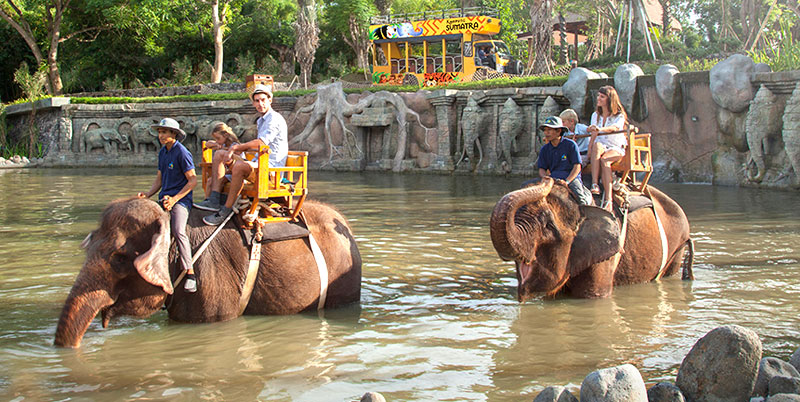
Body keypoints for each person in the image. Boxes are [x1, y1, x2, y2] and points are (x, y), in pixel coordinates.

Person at [200, 84, 288, 226]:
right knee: (219, 154)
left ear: (270, 100)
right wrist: (230, 149)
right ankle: (214, 199)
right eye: (257, 101)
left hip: (271, 169)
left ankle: (226, 210)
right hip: (258, 162)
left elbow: (261, 143)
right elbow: (256, 148)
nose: (260, 104)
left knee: (240, 166)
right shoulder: (261, 121)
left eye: (263, 100)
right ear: (253, 103)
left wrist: (236, 148)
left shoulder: (274, 119)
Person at [137, 118, 199, 292]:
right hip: (164, 198)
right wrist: (148, 194)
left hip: (180, 200)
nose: (161, 135)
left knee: (179, 230)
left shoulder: (182, 152)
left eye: (164, 132)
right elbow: (159, 178)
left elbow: (193, 180)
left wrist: (175, 199)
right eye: (159, 132)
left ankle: (190, 273)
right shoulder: (163, 152)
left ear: (174, 134)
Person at [535, 116, 593, 206]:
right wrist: (545, 177)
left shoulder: (571, 145)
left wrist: (567, 181)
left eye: (549, 130)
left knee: (581, 200)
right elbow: (542, 168)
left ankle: (587, 213)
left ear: (559, 131)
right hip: (553, 177)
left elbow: (577, 166)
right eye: (545, 130)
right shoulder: (544, 149)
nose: (546, 133)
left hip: (571, 178)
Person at [587, 85, 628, 211]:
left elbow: (615, 128)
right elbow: (593, 133)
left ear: (609, 100)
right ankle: (594, 184)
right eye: (598, 96)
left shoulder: (619, 116)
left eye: (602, 97)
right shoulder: (595, 115)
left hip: (615, 147)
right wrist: (590, 146)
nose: (598, 99)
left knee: (605, 160)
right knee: (597, 146)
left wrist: (601, 129)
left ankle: (608, 200)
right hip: (600, 147)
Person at [195, 122, 240, 201]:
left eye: (218, 138)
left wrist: (224, 150)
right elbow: (207, 144)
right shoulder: (223, 144)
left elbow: (237, 160)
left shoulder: (234, 146)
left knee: (214, 181)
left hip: (234, 174)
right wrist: (216, 145)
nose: (217, 141)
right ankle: (207, 200)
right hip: (225, 173)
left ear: (225, 135)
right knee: (209, 181)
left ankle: (213, 200)